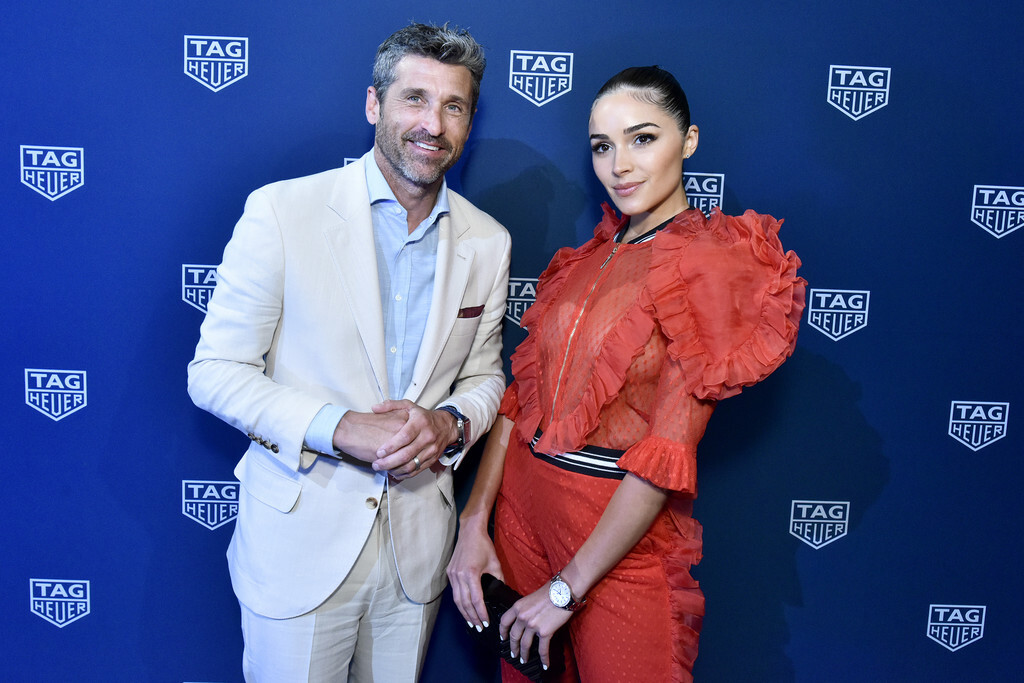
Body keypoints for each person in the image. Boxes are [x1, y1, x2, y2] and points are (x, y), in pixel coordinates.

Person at [447, 66, 806, 682]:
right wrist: (474, 521)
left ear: (689, 141)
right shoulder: (584, 260)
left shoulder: (711, 265)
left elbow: (666, 454)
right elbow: (518, 404)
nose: (620, 166)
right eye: (602, 146)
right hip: (519, 521)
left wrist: (567, 589)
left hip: (613, 539)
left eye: (642, 138)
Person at [187, 22, 510, 682]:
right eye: (415, 98)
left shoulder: (489, 240)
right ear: (374, 104)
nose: (433, 124)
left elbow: (486, 376)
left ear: (469, 122)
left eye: (453, 106)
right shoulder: (282, 212)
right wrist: (338, 427)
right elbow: (215, 372)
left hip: (416, 553)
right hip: (298, 546)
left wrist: (450, 423)